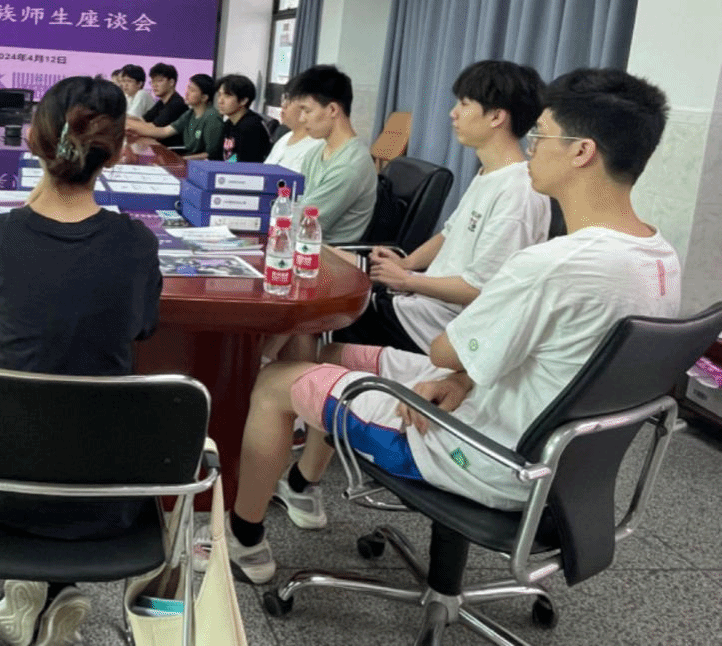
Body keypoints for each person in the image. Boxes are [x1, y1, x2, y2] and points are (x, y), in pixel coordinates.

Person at [197, 68, 680, 585]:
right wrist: (463, 378)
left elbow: (446, 350)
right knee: (320, 357)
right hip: (546, 453)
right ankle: (297, 484)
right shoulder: (659, 258)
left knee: (275, 381)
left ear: (582, 152)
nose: (533, 148)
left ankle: (243, 542)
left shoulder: (552, 264)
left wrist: (441, 339)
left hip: (483, 454)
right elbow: (556, 360)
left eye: (541, 136)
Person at [0, 75, 164, 646]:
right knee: (78, 423)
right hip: (110, 494)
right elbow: (143, 327)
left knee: (37, 417)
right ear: (119, 151)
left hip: (4, 488)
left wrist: (42, 185)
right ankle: (49, 588)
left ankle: (33, 587)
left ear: (34, 141)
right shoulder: (136, 243)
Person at [337, 60, 551, 356]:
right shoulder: (488, 174)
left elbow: (480, 289)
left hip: (437, 328)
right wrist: (407, 264)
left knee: (323, 313)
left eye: (464, 104)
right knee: (329, 272)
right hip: (419, 302)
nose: (453, 113)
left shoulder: (518, 192)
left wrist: (408, 280)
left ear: (496, 116)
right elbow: (448, 234)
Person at [293, 65, 378, 242]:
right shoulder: (315, 153)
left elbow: (304, 223)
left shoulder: (350, 166)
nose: (301, 119)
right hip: (302, 243)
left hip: (325, 252)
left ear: (332, 109)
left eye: (307, 111)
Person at [127, 73, 224, 159]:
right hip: (188, 159)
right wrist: (131, 127)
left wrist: (182, 159)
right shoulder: (190, 113)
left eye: (192, 90)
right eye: (188, 88)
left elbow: (210, 155)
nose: (186, 93)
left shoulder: (212, 118)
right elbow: (164, 131)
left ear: (204, 97)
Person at [209, 74, 272, 164]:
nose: (220, 101)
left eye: (227, 96)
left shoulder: (252, 127)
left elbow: (247, 165)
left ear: (243, 100)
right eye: (219, 95)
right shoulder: (229, 124)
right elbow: (216, 157)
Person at [263, 76, 323, 171]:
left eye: (290, 99)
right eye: (284, 98)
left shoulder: (318, 147)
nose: (283, 105)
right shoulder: (285, 138)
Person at [140, 62, 188, 127]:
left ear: (171, 82)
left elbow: (154, 128)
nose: (154, 85)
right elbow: (143, 120)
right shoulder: (161, 102)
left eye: (159, 81)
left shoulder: (177, 104)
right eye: (152, 81)